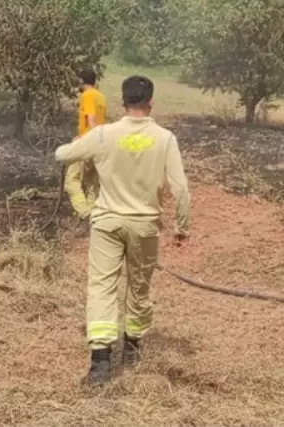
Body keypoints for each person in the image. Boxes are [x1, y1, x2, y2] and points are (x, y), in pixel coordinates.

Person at [54, 75, 191, 387]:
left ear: (122, 103)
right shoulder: (165, 138)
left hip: (107, 223)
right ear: (151, 103)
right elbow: (180, 187)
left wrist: (80, 143)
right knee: (139, 286)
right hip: (145, 225)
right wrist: (182, 227)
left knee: (102, 286)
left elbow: (61, 155)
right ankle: (131, 349)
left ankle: (100, 363)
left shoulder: (103, 135)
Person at [65, 68, 109, 219]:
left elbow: (91, 120)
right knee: (92, 183)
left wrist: (84, 139)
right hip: (100, 143)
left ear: (82, 81)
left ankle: (84, 212)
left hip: (88, 144)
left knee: (71, 180)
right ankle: (93, 213)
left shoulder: (87, 95)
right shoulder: (101, 97)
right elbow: (101, 121)